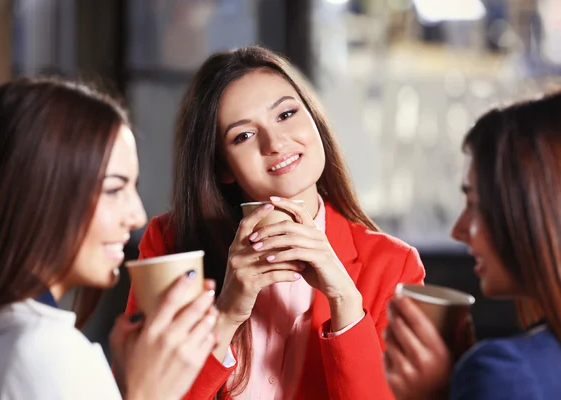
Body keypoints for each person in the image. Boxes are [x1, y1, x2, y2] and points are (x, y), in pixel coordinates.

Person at [124, 45, 425, 399]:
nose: (275, 142)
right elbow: (146, 394)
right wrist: (227, 313)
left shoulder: (394, 266)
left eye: (286, 114)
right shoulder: (169, 245)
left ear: (314, 119)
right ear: (223, 167)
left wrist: (345, 300)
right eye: (244, 136)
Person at [0, 78, 218, 400]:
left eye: (132, 188)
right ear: (40, 197)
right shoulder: (46, 352)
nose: (137, 216)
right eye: (113, 189)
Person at [384, 92, 561, 399]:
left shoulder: (505, 374)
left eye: (475, 205)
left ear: (537, 210)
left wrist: (437, 394)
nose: (458, 231)